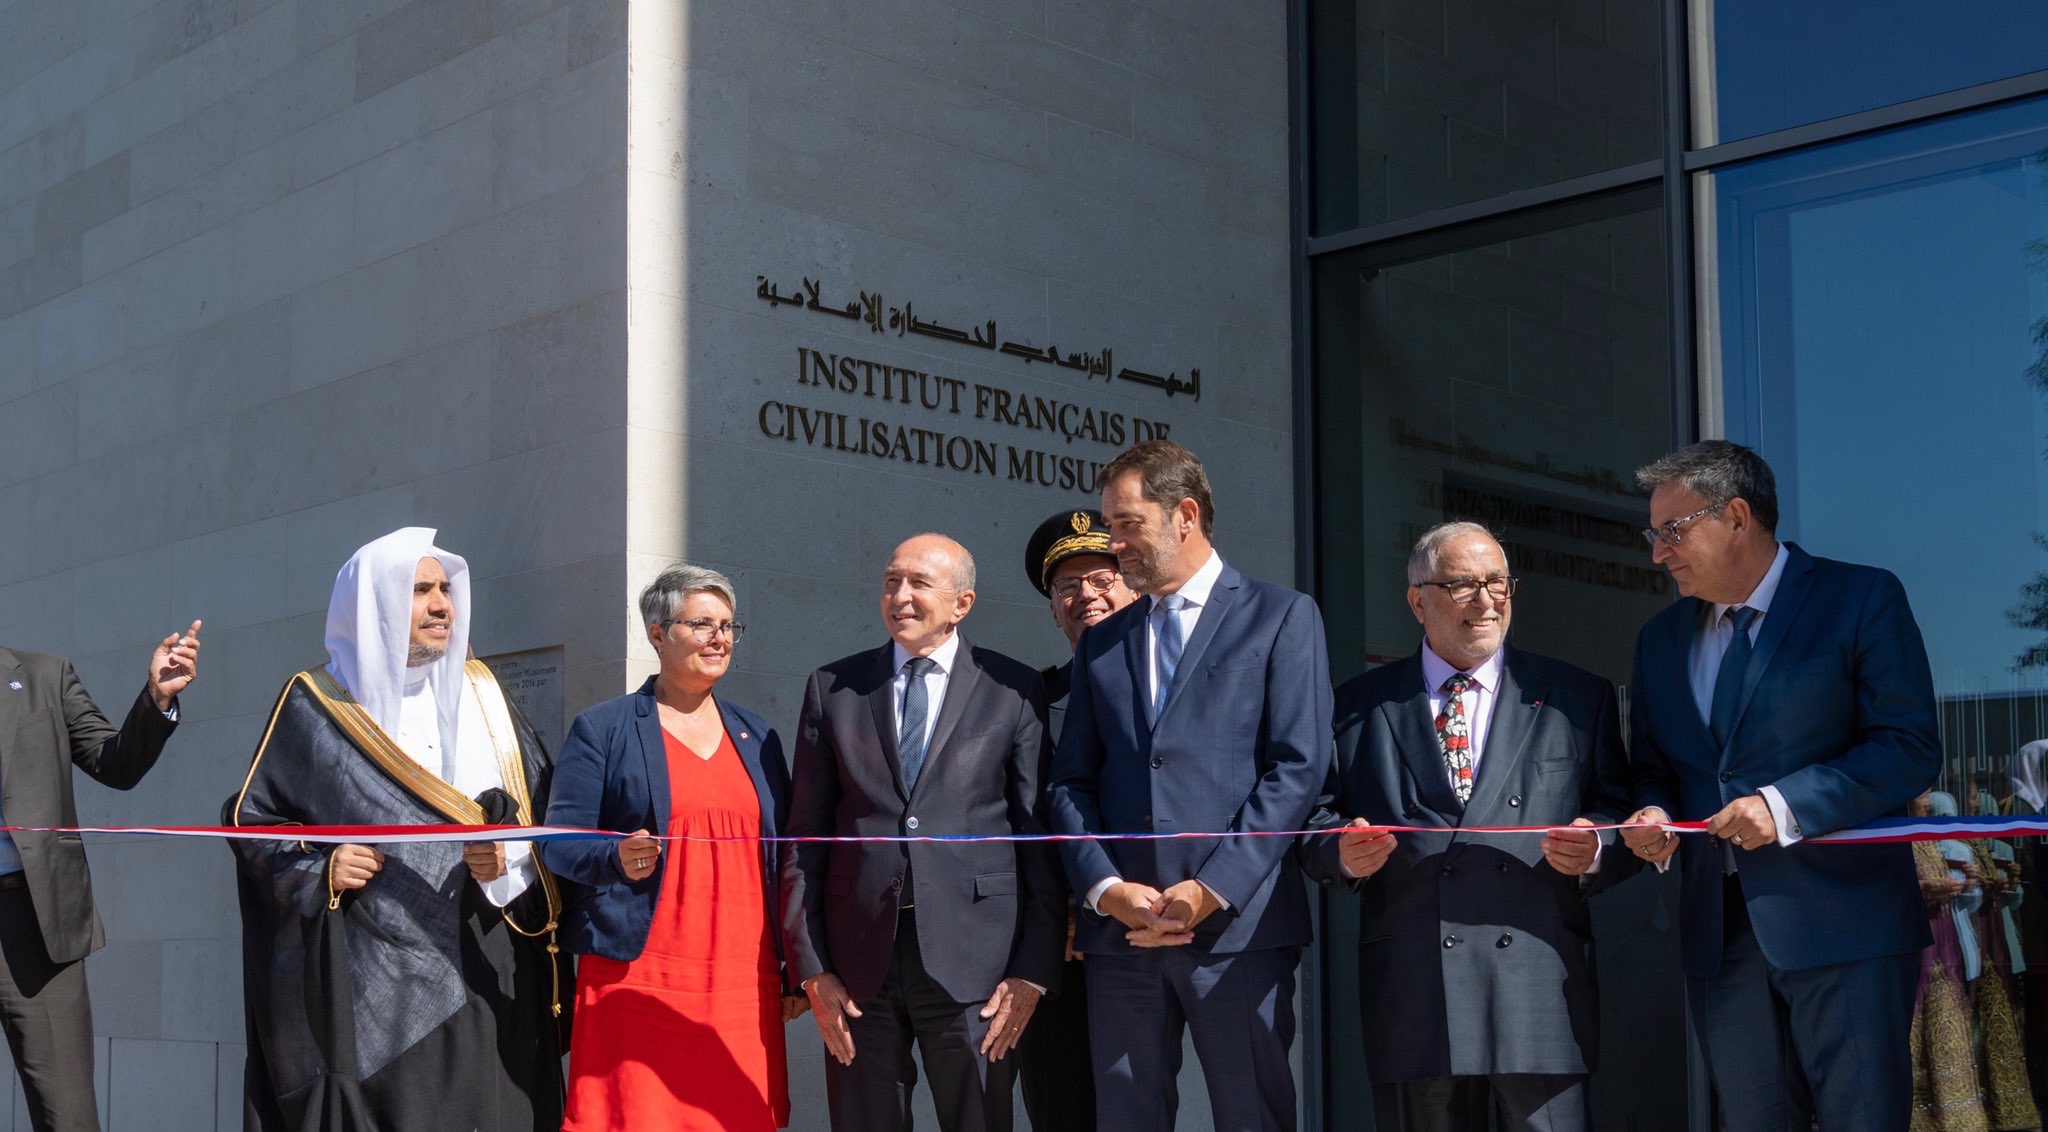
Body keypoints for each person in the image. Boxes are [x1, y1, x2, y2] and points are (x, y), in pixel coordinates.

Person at [1618, 441, 1941, 1131]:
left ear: (1736, 516)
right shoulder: (1659, 641)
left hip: (1845, 928)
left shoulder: (1860, 598)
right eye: (1654, 534)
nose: (1657, 553)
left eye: (1672, 531)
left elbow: (1908, 747)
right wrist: (1652, 811)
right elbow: (1654, 766)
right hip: (1720, 937)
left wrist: (1785, 806)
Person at [227, 527, 567, 1130]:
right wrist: (322, 865)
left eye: (445, 589)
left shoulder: (485, 696)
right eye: (420, 590)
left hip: (493, 965)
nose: (441, 605)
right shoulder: (318, 706)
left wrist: (508, 857)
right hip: (379, 990)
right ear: (377, 603)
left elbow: (545, 812)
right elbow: (253, 825)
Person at [1302, 522, 1631, 1132]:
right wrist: (1342, 854)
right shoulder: (1354, 707)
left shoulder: (1574, 698)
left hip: (1536, 981)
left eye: (1497, 584)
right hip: (1415, 982)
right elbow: (1311, 823)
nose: (1485, 601)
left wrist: (1594, 849)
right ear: (1416, 600)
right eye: (1461, 586)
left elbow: (1621, 813)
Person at [1047, 439, 1334, 1132]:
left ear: (1184, 514)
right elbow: (1070, 783)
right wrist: (1107, 890)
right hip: (1124, 938)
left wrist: (1211, 888)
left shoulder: (1281, 616)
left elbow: (1298, 767)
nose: (1114, 546)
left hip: (1237, 931)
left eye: (1126, 524)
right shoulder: (1103, 643)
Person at [782, 533, 1064, 1132]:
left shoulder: (1012, 689)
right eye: (891, 580)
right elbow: (804, 838)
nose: (900, 596)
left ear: (962, 604)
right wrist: (811, 968)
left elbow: (1039, 840)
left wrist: (1032, 971)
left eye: (918, 583)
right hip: (858, 965)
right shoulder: (832, 688)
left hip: (979, 966)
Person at [541, 564, 803, 1131]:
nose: (720, 638)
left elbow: (785, 858)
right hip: (638, 977)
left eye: (729, 626)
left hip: (741, 978)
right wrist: (613, 856)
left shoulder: (758, 737)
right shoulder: (604, 728)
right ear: (658, 633)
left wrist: (795, 967)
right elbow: (559, 842)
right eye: (702, 623)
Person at [0, 624, 199, 1131]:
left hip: (33, 922)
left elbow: (116, 765)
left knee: (66, 1113)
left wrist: (156, 698)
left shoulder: (45, 675)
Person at [1015, 507, 1138, 1132]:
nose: (1085, 595)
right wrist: (1057, 913)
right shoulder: (1032, 701)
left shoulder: (1175, 686)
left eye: (1101, 578)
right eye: (1068, 586)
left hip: (1160, 936)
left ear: (1134, 585)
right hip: (1063, 951)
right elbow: (1019, 822)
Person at [1908, 791, 1987, 1132]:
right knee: (1910, 1030)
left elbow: (1967, 904)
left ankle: (1954, 1115)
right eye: (1920, 794)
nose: (1926, 800)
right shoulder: (1894, 838)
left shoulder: (1931, 839)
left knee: (1948, 1024)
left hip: (1945, 944)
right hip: (1913, 947)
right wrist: (1926, 888)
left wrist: (1966, 884)